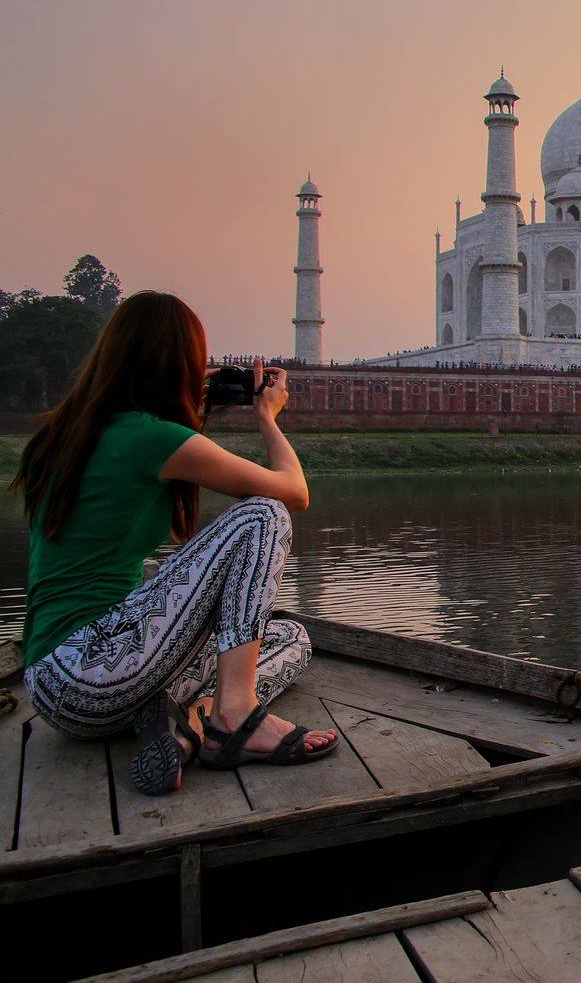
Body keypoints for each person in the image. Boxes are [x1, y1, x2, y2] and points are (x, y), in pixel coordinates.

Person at [10, 291, 338, 796]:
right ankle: (231, 717)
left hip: (60, 688)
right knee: (262, 516)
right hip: (92, 668)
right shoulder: (150, 438)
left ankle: (184, 723)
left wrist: (191, 413)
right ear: (177, 362)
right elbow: (295, 492)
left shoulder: (64, 435)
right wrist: (267, 417)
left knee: (290, 641)